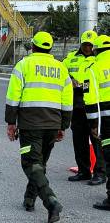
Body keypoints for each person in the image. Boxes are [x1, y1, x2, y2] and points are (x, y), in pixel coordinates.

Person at [5, 32, 73, 223]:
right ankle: (29, 199)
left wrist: (11, 123)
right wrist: (63, 126)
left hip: (30, 124)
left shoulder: (24, 65)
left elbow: (13, 96)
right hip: (52, 124)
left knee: (31, 164)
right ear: (50, 48)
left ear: (33, 47)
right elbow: (67, 102)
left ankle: (51, 201)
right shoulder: (61, 68)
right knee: (40, 164)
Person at [63, 30, 106, 185]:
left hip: (94, 104)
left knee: (97, 139)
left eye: (90, 45)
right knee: (79, 139)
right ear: (81, 44)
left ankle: (100, 173)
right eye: (85, 45)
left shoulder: (99, 59)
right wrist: (70, 80)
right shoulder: (70, 59)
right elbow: (62, 73)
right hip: (77, 103)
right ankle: (83, 171)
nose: (87, 48)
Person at [83, 35, 110, 211]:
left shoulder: (92, 68)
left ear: (95, 49)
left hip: (107, 121)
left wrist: (93, 125)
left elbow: (89, 98)